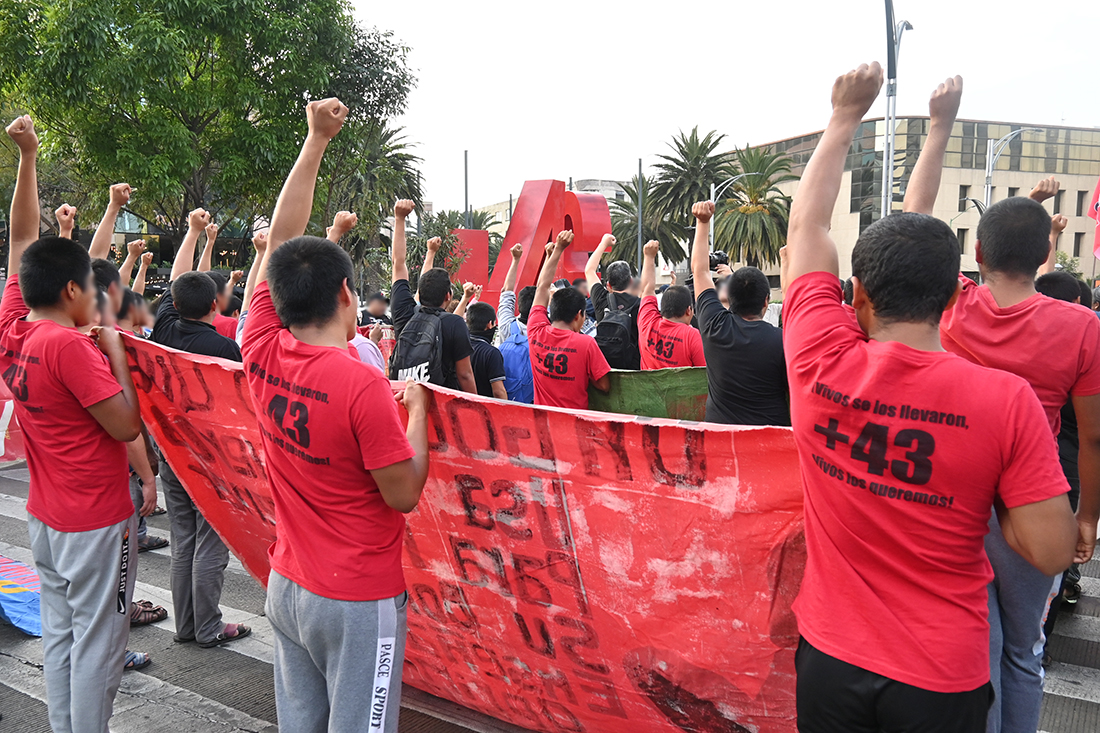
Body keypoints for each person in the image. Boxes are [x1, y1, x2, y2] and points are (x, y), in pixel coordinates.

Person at [782, 64, 1076, 733]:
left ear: (859, 293)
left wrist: (843, 117)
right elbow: (1052, 550)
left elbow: (806, 228)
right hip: (941, 670)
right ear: (951, 298)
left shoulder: (817, 356)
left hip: (829, 654)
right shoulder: (1006, 401)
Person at [902, 78, 1100, 733]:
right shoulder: (1082, 327)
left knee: (979, 641)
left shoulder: (955, 306)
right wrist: (1087, 518)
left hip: (952, 491)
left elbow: (913, 220)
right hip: (1035, 500)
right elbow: (1094, 437)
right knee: (1024, 650)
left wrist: (939, 126)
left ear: (978, 253)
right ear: (1046, 254)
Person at [242, 97, 430, 733]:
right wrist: (418, 413)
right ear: (348, 294)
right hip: (356, 600)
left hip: (288, 584)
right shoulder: (360, 382)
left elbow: (281, 241)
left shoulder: (260, 346)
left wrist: (315, 140)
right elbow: (403, 493)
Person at [2, 114, 145, 731]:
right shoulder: (71, 349)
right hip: (97, 523)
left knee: (62, 634)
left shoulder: (14, 329)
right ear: (68, 290)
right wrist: (115, 353)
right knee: (100, 642)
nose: (98, 297)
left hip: (46, 516)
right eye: (91, 286)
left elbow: (20, 239)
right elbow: (126, 427)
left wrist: (28, 157)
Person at [151, 207, 248, 649]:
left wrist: (192, 233)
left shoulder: (163, 329)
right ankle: (208, 627)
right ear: (216, 305)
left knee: (183, 538)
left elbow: (177, 280)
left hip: (170, 451)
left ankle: (187, 627)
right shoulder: (225, 349)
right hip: (210, 455)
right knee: (212, 540)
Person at [690, 212, 788, 426]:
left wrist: (703, 222)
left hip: (719, 436)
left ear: (729, 298)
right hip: (771, 438)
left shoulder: (715, 326)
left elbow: (700, 271)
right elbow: (793, 304)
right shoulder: (784, 340)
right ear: (766, 301)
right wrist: (786, 261)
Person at [389, 208, 476, 391]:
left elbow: (398, 264)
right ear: (448, 296)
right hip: (438, 405)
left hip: (404, 399)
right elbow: (465, 375)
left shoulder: (403, 312)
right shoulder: (453, 323)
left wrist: (400, 218)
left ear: (420, 293)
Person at [529, 233, 611, 409]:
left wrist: (557, 250)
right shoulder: (586, 344)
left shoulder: (535, 330)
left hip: (542, 421)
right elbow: (604, 385)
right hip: (574, 422)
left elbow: (542, 287)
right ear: (578, 315)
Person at [638, 240, 705, 369]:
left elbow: (647, 289)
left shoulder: (647, 323)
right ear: (689, 310)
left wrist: (649, 257)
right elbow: (703, 373)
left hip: (648, 383)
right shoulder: (692, 336)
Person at [585, 234, 641, 369]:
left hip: (606, 366)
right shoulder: (641, 304)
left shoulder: (600, 298)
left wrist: (604, 243)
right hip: (633, 368)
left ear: (608, 285)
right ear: (631, 281)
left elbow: (589, 270)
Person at [496, 244, 535, 403]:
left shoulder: (506, 326)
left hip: (507, 394)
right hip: (532, 399)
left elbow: (507, 292)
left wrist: (516, 260)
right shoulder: (544, 332)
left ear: (519, 304)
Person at [465, 301, 508, 399]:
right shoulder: (491, 353)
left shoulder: (459, 345)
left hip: (458, 403)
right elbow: (498, 392)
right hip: (483, 405)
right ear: (489, 324)